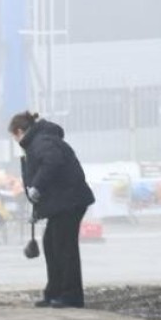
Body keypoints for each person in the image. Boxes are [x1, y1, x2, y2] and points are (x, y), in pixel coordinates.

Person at [8, 111, 95, 309]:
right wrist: (37, 210)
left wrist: (36, 186)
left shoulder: (42, 142)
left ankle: (70, 296)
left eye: (14, 136)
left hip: (69, 202)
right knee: (51, 244)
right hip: (64, 202)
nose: (15, 140)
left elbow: (52, 162)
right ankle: (54, 292)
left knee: (64, 248)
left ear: (19, 131)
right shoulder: (40, 140)